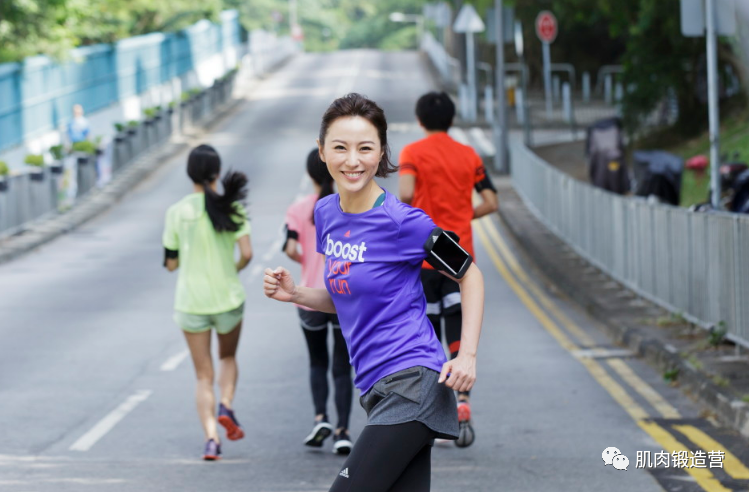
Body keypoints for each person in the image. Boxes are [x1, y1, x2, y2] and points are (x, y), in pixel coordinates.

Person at [264, 93, 485, 491]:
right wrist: (297, 293)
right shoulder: (326, 214)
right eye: (341, 147)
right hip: (376, 390)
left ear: (381, 151)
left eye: (365, 148)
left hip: (413, 383)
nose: (353, 160)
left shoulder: (404, 222)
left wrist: (465, 355)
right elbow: (350, 297)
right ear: (322, 151)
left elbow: (470, 274)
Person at [398, 91, 498, 448]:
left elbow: (407, 194)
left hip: (424, 253)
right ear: (452, 120)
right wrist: (460, 213)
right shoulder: (469, 155)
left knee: (426, 332)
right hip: (459, 255)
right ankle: (464, 401)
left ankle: (432, 413)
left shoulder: (412, 153)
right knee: (458, 328)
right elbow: (492, 201)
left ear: (421, 120)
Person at [162, 144, 253, 460]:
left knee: (203, 375)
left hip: (191, 303)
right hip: (227, 298)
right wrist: (234, 270)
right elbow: (247, 254)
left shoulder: (177, 212)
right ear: (217, 173)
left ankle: (212, 439)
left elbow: (170, 262)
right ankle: (227, 403)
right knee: (227, 358)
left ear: (190, 173)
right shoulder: (233, 208)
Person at [283, 149, 354, 454]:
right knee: (341, 366)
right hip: (341, 297)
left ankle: (320, 418)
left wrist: (307, 263)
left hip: (308, 297)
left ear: (310, 175)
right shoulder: (346, 207)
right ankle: (342, 431)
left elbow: (289, 247)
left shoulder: (299, 209)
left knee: (317, 362)